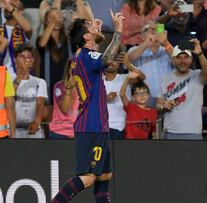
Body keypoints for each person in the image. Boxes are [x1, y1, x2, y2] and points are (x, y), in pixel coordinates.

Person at [51, 10, 123, 203]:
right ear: (86, 35)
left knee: (105, 175)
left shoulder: (82, 56)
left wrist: (96, 38)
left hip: (97, 124)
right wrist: (117, 32)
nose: (95, 24)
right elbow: (107, 60)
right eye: (90, 25)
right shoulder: (86, 56)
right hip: (92, 125)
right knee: (89, 177)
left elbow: (96, 61)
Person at [157, 42, 207, 140]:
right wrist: (164, 106)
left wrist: (200, 54)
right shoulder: (165, 79)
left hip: (192, 132)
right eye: (179, 57)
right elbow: (158, 106)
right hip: (169, 131)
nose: (182, 61)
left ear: (191, 59)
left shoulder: (197, 75)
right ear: (173, 60)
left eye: (186, 57)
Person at [127, 22, 174, 107]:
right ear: (141, 37)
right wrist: (146, 43)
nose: (153, 31)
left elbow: (179, 62)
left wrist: (165, 42)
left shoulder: (167, 50)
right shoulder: (134, 50)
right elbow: (127, 59)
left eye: (156, 29)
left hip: (168, 102)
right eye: (147, 30)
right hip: (143, 103)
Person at [104, 53, 145, 139]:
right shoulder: (98, 80)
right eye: (108, 59)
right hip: (101, 128)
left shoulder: (124, 78)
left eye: (114, 59)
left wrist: (128, 65)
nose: (111, 62)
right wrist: (104, 99)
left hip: (119, 128)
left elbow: (141, 77)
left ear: (119, 62)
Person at [13, 44, 48, 139]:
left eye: (29, 56)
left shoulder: (40, 82)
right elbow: (9, 99)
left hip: (34, 133)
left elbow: (40, 103)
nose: (27, 59)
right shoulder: (8, 79)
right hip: (14, 132)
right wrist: (20, 76)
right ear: (15, 60)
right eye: (22, 56)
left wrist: (37, 122)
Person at [120, 72, 157, 139]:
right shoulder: (130, 107)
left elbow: (154, 131)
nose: (142, 96)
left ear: (149, 95)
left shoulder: (153, 111)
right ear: (133, 97)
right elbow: (122, 94)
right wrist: (127, 79)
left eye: (144, 93)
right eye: (138, 94)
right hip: (129, 142)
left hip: (144, 144)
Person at [48, 59, 79, 139]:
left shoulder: (86, 88)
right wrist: (68, 88)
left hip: (79, 133)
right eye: (72, 68)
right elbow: (65, 109)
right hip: (59, 133)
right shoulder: (59, 86)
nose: (74, 71)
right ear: (68, 70)